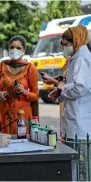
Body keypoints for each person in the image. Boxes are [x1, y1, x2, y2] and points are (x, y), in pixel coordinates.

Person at [46, 25, 91, 181]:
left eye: (66, 44)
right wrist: (60, 92)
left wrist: (59, 85)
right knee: (75, 169)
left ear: (76, 40)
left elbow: (82, 87)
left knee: (82, 170)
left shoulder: (83, 58)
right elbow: (72, 87)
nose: (64, 48)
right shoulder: (76, 58)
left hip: (81, 124)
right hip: (74, 121)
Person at [0, 35, 39, 134]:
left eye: (18, 48)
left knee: (21, 145)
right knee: (1, 145)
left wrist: (25, 92)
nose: (14, 50)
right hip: (2, 113)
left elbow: (36, 96)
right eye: (12, 47)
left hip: (22, 116)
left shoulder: (30, 68)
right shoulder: (0, 66)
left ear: (24, 50)